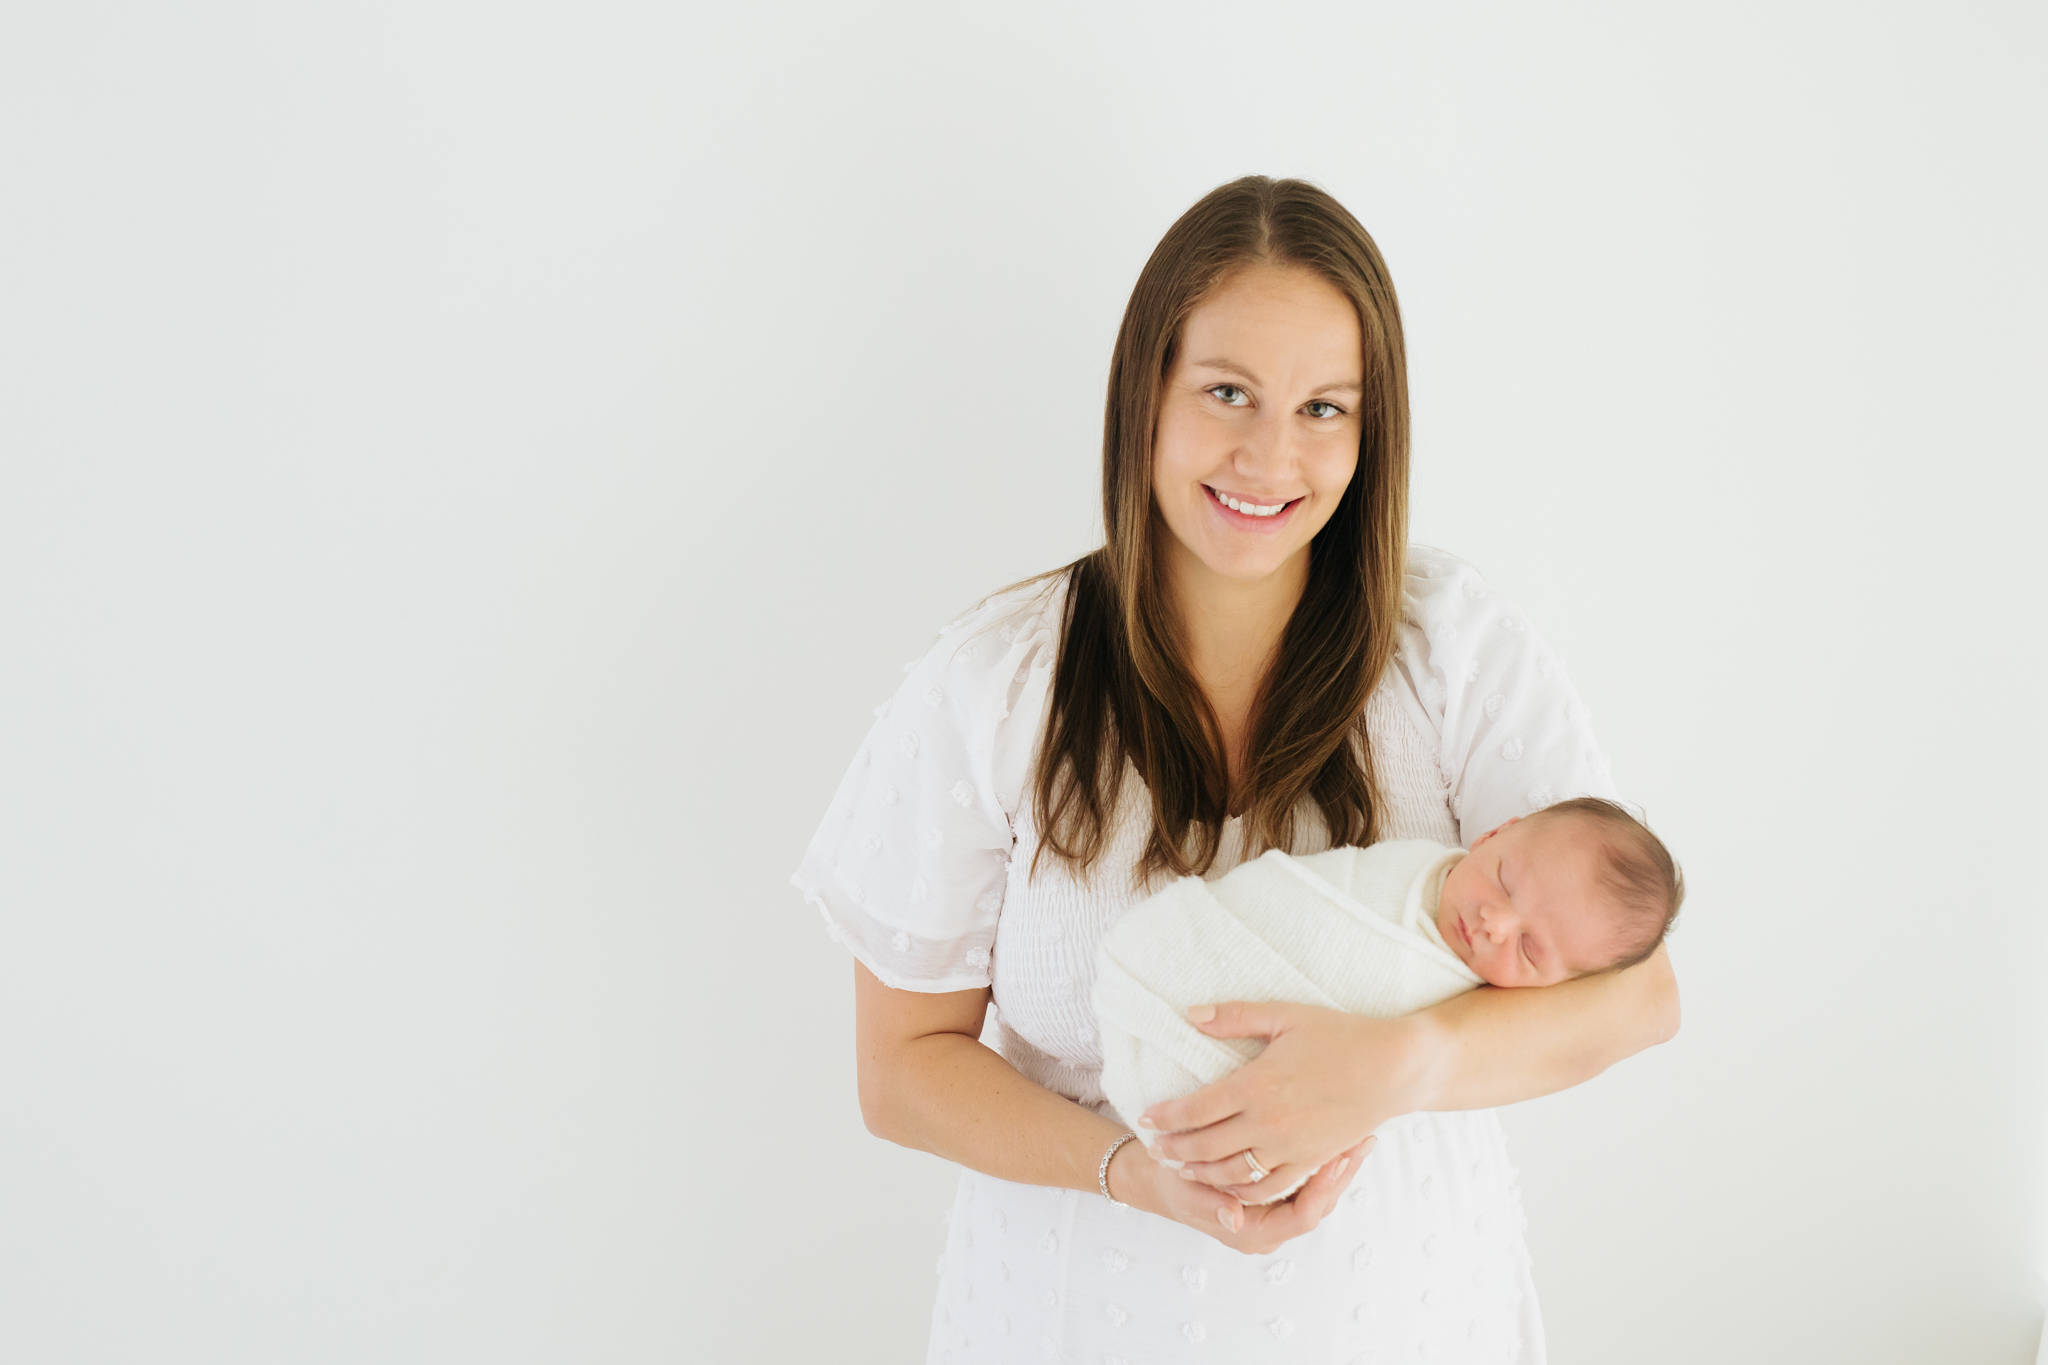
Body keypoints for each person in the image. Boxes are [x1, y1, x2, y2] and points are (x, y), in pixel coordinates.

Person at [791, 175, 1681, 1363]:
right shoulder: (994, 686)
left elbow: (1637, 993)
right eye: (1226, 394)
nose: (1270, 456)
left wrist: (1392, 1066)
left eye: (1324, 408)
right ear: (1144, 396)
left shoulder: (1448, 645)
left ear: (1372, 435)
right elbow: (901, 1071)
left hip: (1413, 1320)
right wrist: (1135, 1175)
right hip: (1078, 1318)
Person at [1094, 798, 1686, 1206]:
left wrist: (1391, 1061)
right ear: (1494, 833)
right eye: (1503, 880)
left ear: (1558, 988)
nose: (1493, 924)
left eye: (1530, 949)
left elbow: (1652, 1002)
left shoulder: (1464, 989)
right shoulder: (1411, 876)